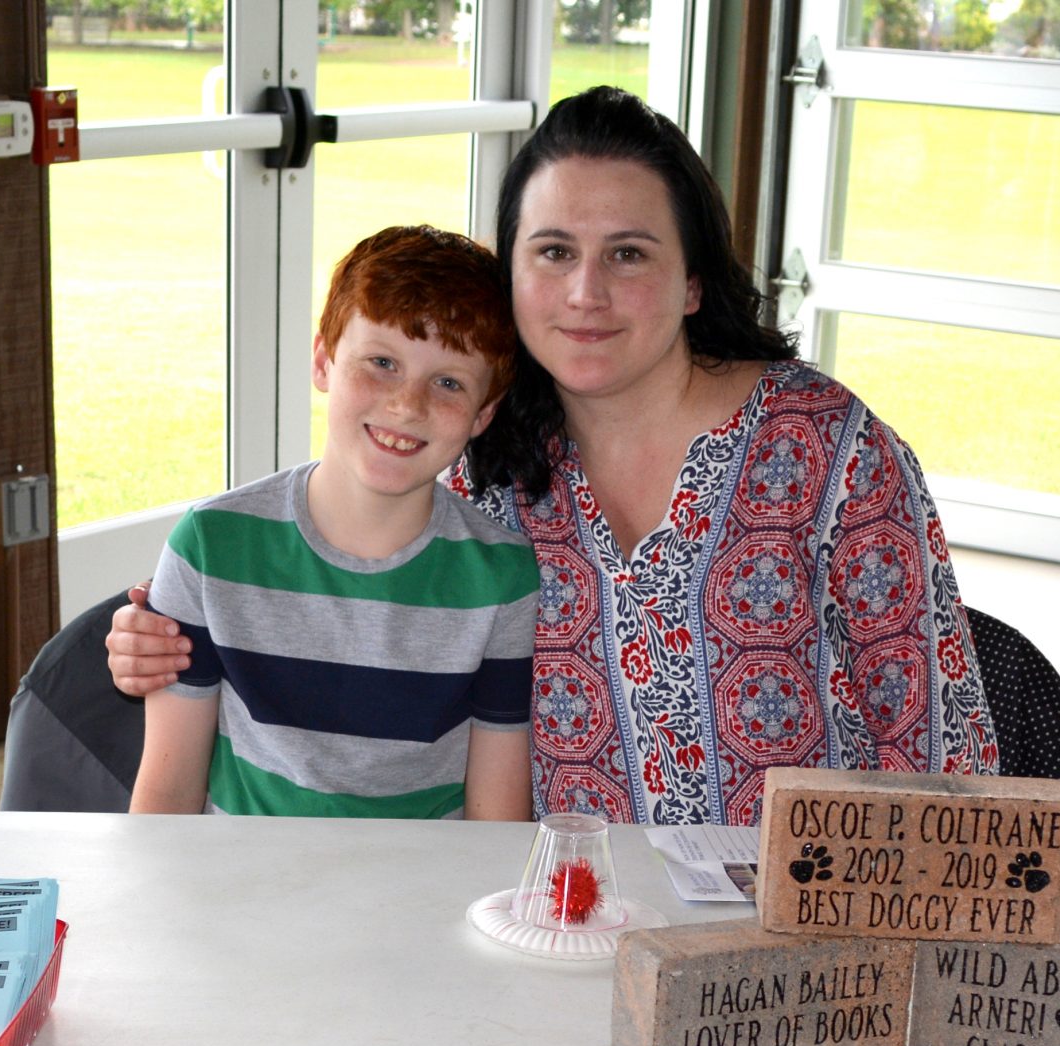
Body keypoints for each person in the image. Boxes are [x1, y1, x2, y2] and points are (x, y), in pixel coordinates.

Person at [112, 87, 995, 826]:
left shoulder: (830, 453)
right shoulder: (472, 466)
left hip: (791, 951)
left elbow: (944, 751)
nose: (586, 292)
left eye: (629, 254)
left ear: (693, 281)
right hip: (552, 930)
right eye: (554, 252)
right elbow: (333, 619)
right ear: (514, 278)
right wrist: (153, 640)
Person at [128, 226, 538, 822]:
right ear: (323, 360)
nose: (407, 405)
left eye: (448, 382)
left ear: (485, 413)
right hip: (239, 891)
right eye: (382, 363)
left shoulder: (502, 576)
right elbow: (166, 796)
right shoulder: (211, 546)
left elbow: (496, 823)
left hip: (421, 899)